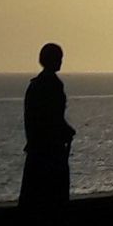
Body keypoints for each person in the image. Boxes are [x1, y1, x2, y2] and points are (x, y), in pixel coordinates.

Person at [20, 42, 75, 209]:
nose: (61, 61)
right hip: (51, 154)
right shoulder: (54, 85)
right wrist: (66, 131)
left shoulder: (34, 85)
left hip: (36, 152)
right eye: (59, 58)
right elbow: (54, 118)